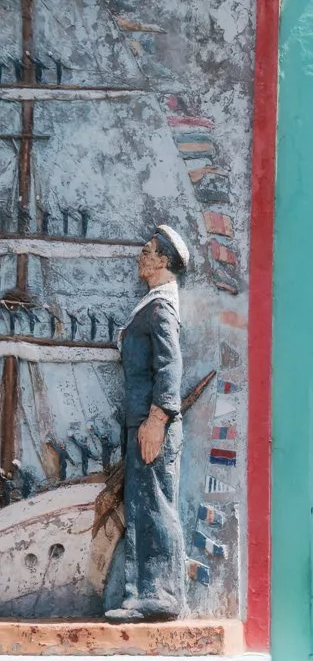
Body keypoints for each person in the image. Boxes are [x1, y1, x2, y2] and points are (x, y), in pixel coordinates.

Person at [104, 224, 190, 623]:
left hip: (152, 422)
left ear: (161, 260)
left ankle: (161, 595)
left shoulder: (161, 307)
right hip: (141, 420)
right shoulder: (153, 303)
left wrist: (157, 419)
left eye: (147, 250)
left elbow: (169, 365)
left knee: (154, 505)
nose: (140, 256)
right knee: (143, 505)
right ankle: (144, 594)